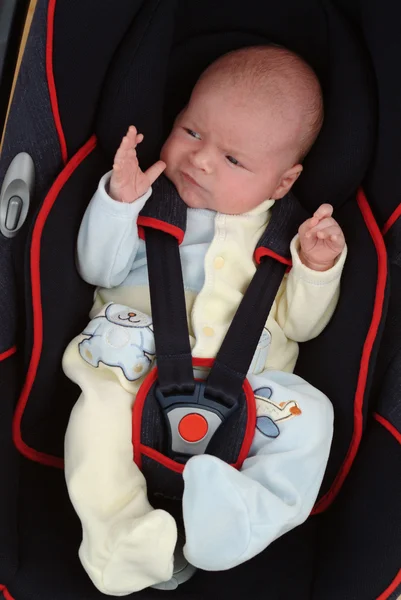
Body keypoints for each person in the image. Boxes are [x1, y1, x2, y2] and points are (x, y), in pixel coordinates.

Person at [62, 45, 347, 595]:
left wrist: (317, 267)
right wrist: (118, 202)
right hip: (132, 366)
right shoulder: (150, 199)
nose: (202, 160)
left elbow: (303, 325)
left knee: (312, 417)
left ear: (283, 183)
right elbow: (95, 266)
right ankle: (120, 536)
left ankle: (236, 518)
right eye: (191, 132)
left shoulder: (289, 235)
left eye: (234, 160)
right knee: (94, 424)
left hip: (248, 387)